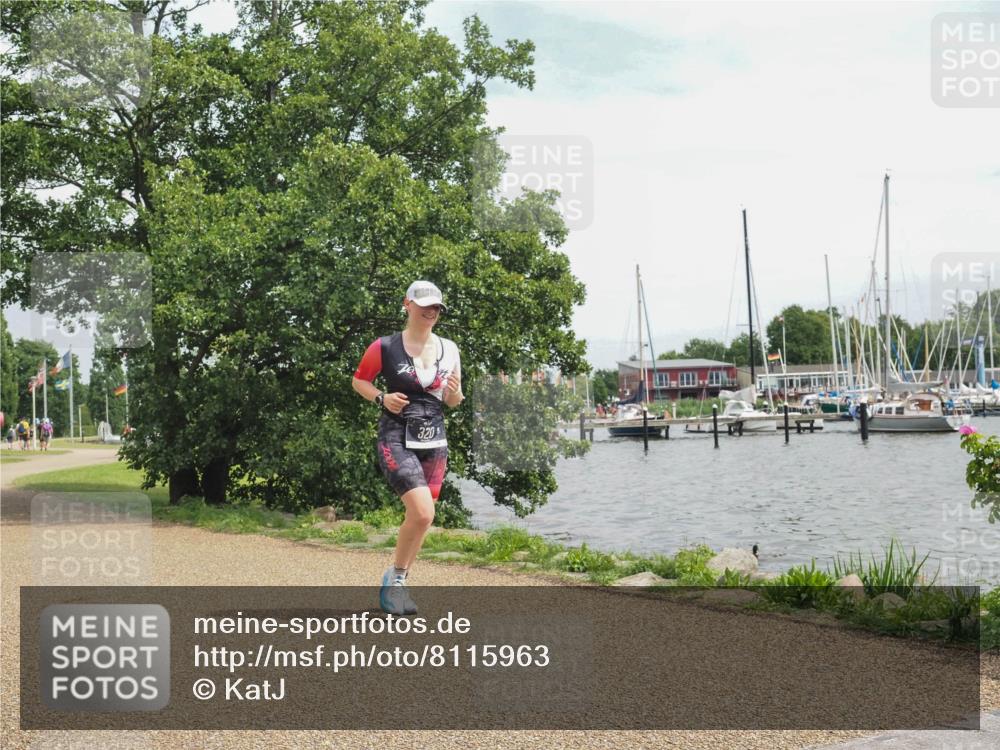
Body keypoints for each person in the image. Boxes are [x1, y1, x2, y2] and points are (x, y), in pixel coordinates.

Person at [352, 280, 463, 615]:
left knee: (422, 519)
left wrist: (455, 393)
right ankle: (396, 581)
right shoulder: (385, 346)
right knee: (423, 511)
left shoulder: (450, 349)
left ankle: (398, 580)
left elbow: (453, 401)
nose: (431, 311)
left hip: (434, 440)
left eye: (436, 307)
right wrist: (381, 397)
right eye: (425, 305)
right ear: (407, 304)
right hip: (396, 435)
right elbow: (359, 380)